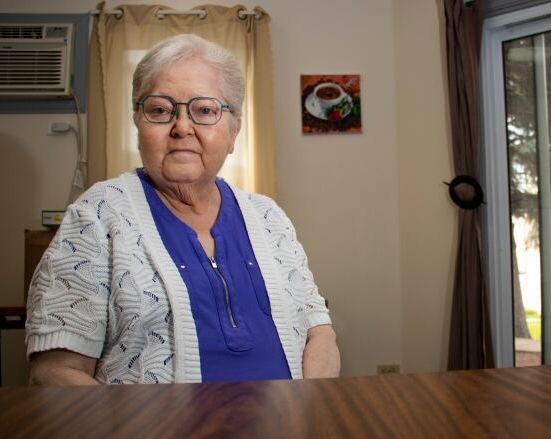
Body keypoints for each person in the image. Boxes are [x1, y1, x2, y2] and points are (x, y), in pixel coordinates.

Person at [25, 34, 340, 385]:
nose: (182, 127)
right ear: (138, 125)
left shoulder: (268, 216)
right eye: (160, 110)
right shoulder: (95, 216)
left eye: (205, 111)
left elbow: (319, 332)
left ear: (233, 132)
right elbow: (54, 373)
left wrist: (310, 412)